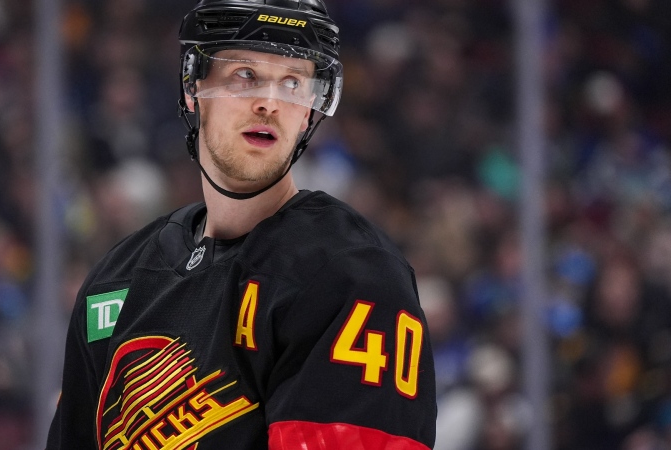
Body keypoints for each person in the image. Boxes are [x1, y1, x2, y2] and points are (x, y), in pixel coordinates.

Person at [46, 0, 437, 448]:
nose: (270, 103)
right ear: (193, 88)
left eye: (293, 82)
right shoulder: (115, 280)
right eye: (245, 75)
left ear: (310, 108)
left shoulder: (350, 273)